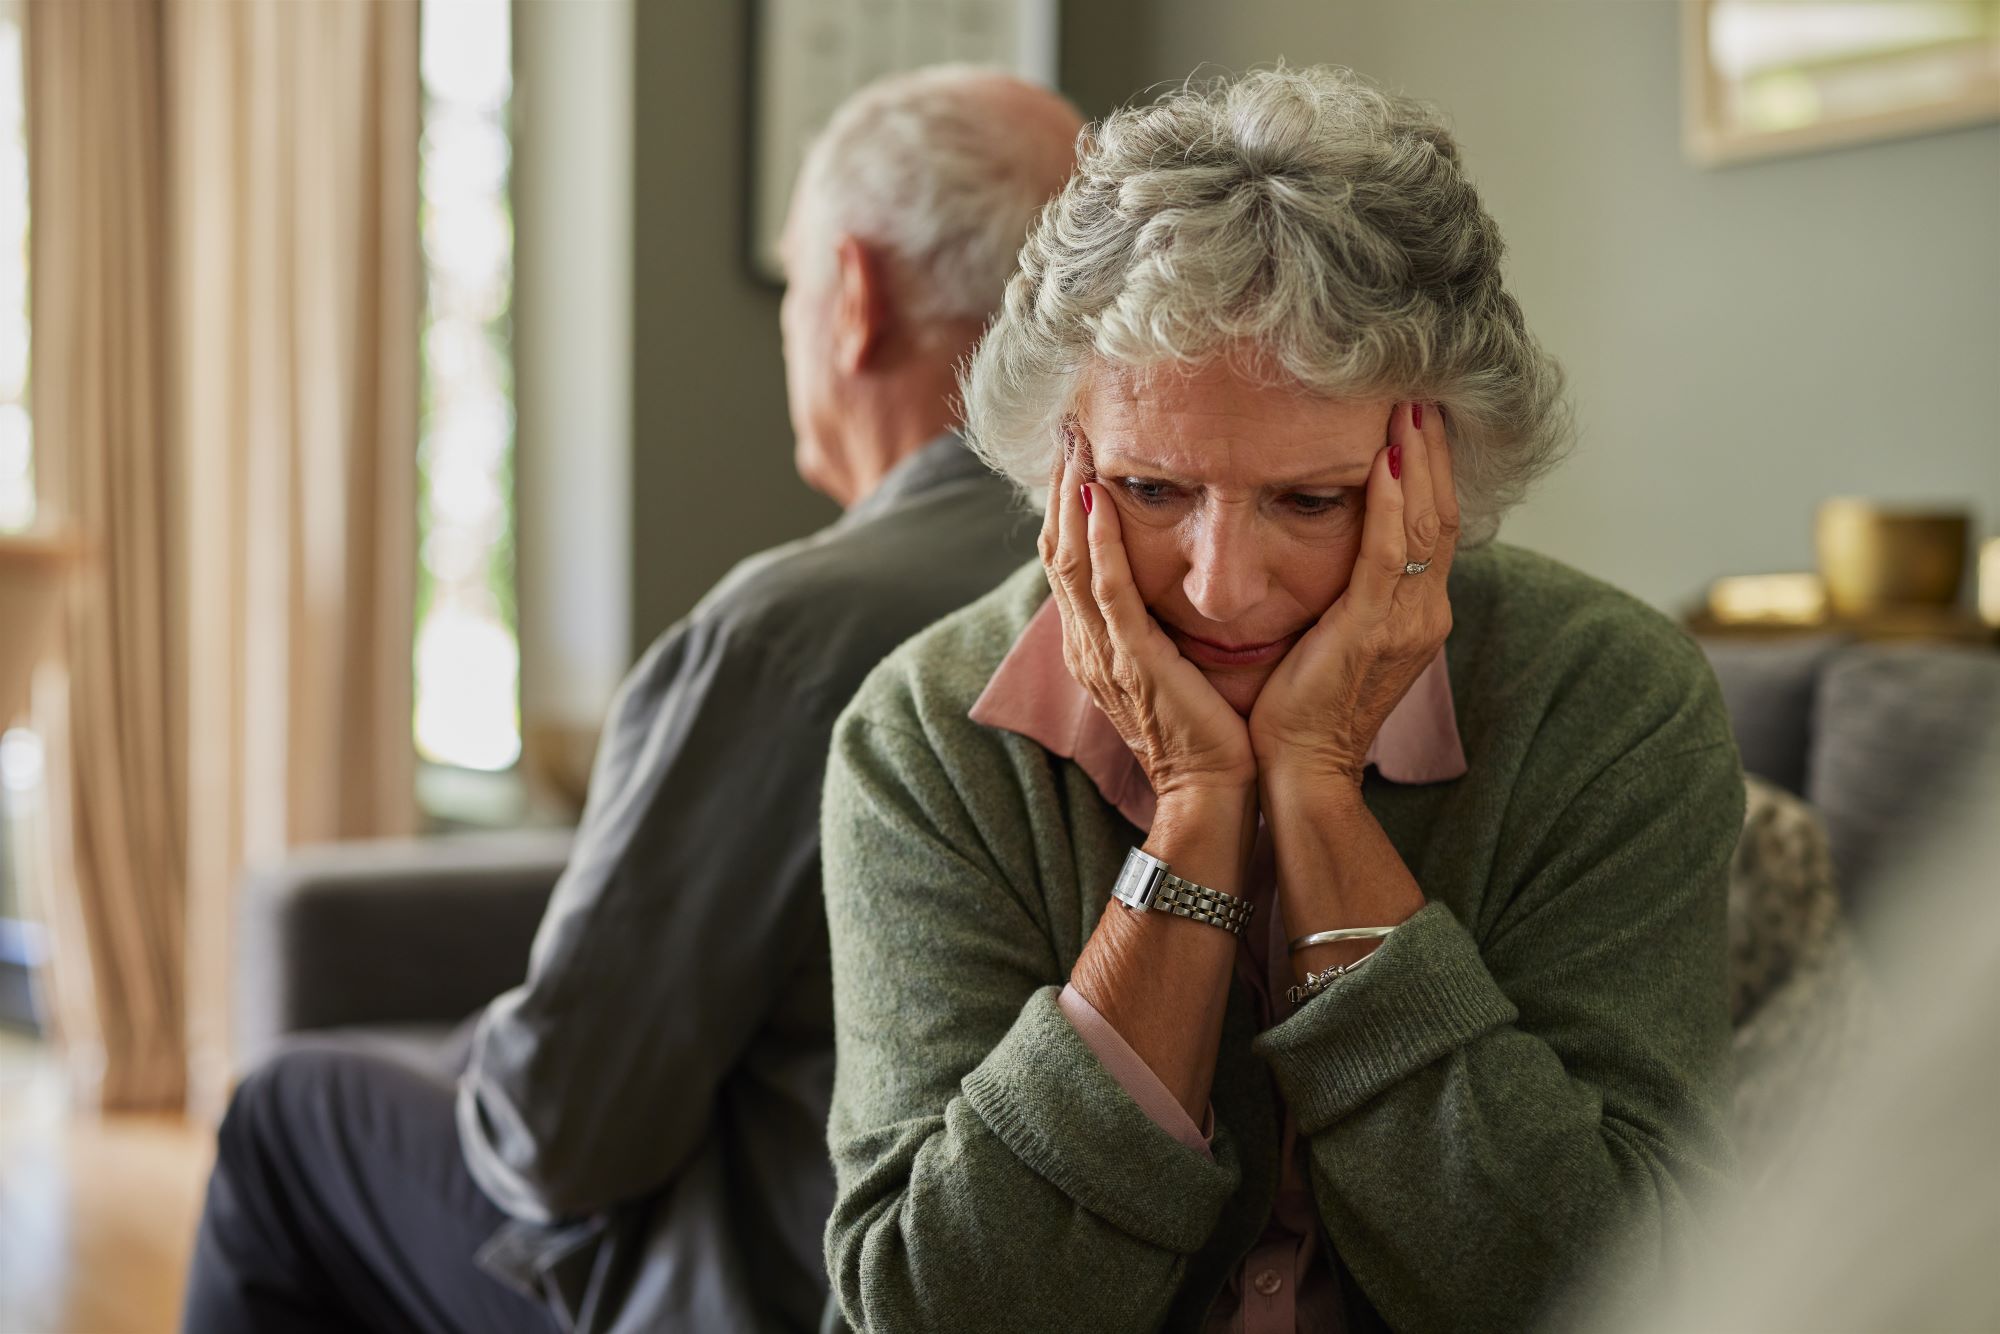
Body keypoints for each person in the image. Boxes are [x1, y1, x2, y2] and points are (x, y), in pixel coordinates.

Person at [819, 65, 1742, 1333]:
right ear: (1059, 462)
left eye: (1309, 501)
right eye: (1150, 490)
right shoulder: (921, 735)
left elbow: (1615, 1291)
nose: (1222, 587)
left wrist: (1314, 796)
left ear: (1441, 472)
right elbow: (931, 1309)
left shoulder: (1609, 700)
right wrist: (1196, 817)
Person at [182, 66, 1082, 1334]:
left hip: (782, 1285)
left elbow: (562, 1129)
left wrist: (486, 1058)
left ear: (853, 300)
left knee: (285, 1112)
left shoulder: (790, 636)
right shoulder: (1178, 578)